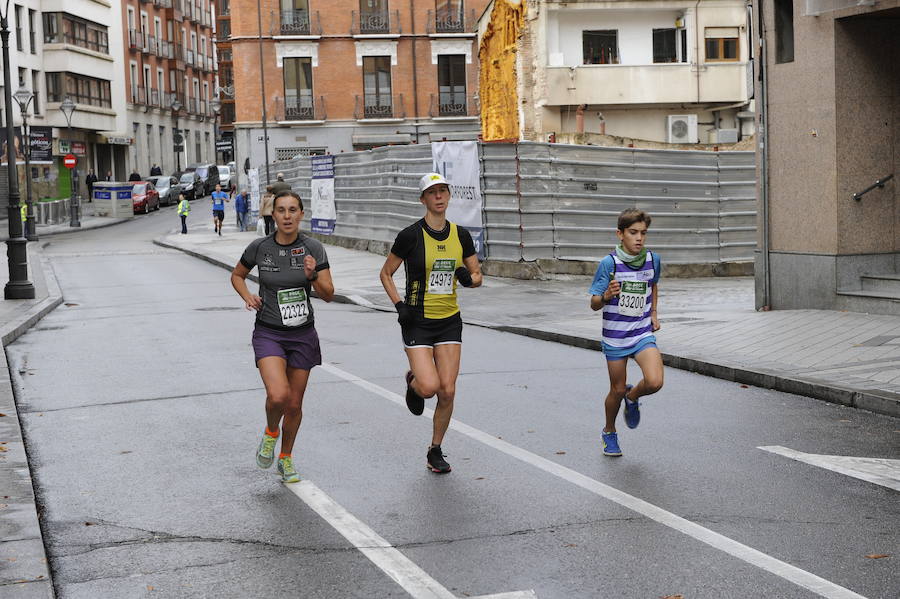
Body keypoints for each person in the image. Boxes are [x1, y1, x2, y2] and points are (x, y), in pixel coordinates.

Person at [379, 173, 482, 474]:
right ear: (422, 199)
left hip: (449, 320)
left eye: (443, 191)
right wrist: (399, 305)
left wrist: (468, 279)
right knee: (429, 388)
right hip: (417, 320)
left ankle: (434, 449)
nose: (438, 196)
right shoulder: (410, 235)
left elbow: (477, 277)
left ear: (449, 196)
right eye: (432, 192)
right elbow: (386, 273)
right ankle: (414, 382)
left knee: (447, 391)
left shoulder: (460, 235)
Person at [230, 190, 335, 483]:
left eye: (292, 210)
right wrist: (247, 295)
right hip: (269, 332)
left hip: (302, 335)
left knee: (294, 404)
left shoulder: (314, 248)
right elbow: (237, 275)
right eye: (281, 210)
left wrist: (313, 276)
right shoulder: (260, 247)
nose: (287, 216)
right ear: (272, 214)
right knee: (278, 395)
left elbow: (329, 295)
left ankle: (286, 458)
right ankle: (270, 432)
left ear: (301, 214)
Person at [589, 208, 664, 457]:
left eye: (643, 233)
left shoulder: (653, 259)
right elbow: (594, 303)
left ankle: (633, 397)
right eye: (633, 233)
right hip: (615, 337)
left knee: (655, 381)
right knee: (616, 390)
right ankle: (609, 432)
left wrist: (653, 314)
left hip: (641, 332)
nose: (639, 238)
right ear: (620, 234)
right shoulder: (609, 264)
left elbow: (653, 286)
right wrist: (606, 296)